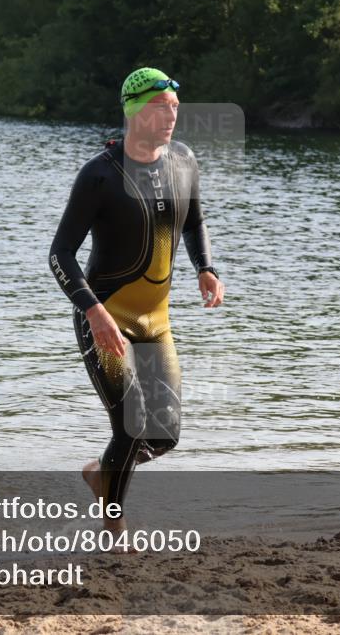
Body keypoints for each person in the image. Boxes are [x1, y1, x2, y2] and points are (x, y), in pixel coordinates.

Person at [48, 67, 224, 552]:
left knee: (164, 434)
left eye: (174, 108)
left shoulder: (184, 161)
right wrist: (93, 313)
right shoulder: (100, 174)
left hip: (157, 323)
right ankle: (114, 529)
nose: (172, 116)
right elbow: (59, 254)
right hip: (106, 319)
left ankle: (100, 474)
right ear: (135, 112)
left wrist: (205, 267)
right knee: (129, 423)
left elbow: (195, 222)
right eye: (160, 108)